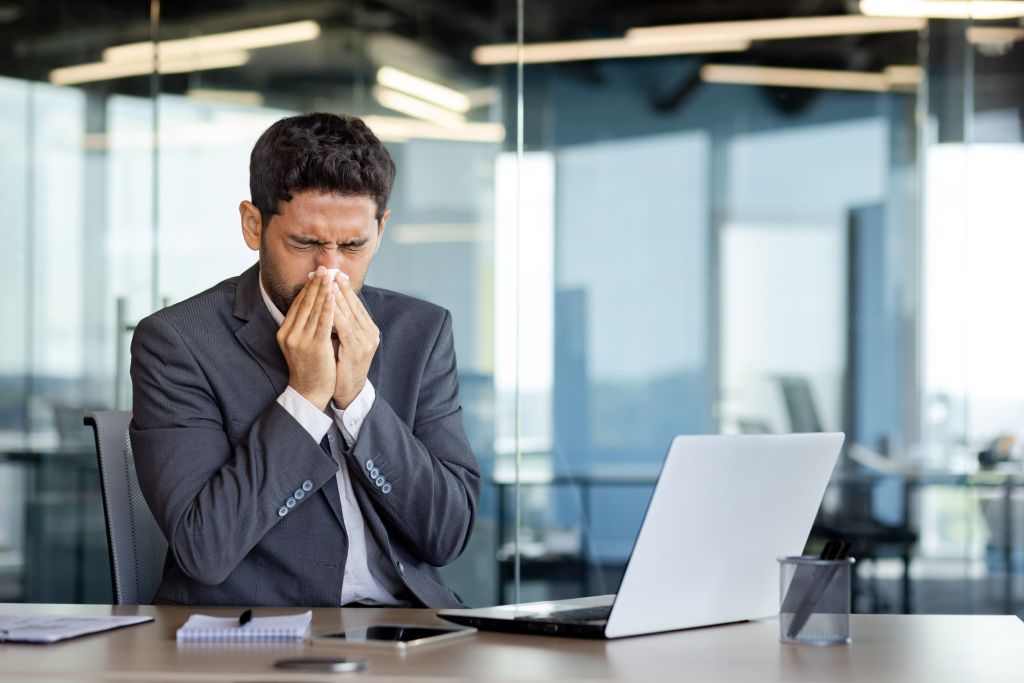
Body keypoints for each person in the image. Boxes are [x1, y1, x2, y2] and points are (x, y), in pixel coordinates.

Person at [129, 112, 480, 608]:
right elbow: (204, 550)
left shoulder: (419, 332)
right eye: (306, 243)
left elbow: (446, 535)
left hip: (407, 629)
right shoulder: (177, 343)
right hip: (258, 632)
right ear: (254, 226)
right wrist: (306, 398)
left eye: (353, 245)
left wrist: (357, 402)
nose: (330, 272)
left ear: (380, 229)